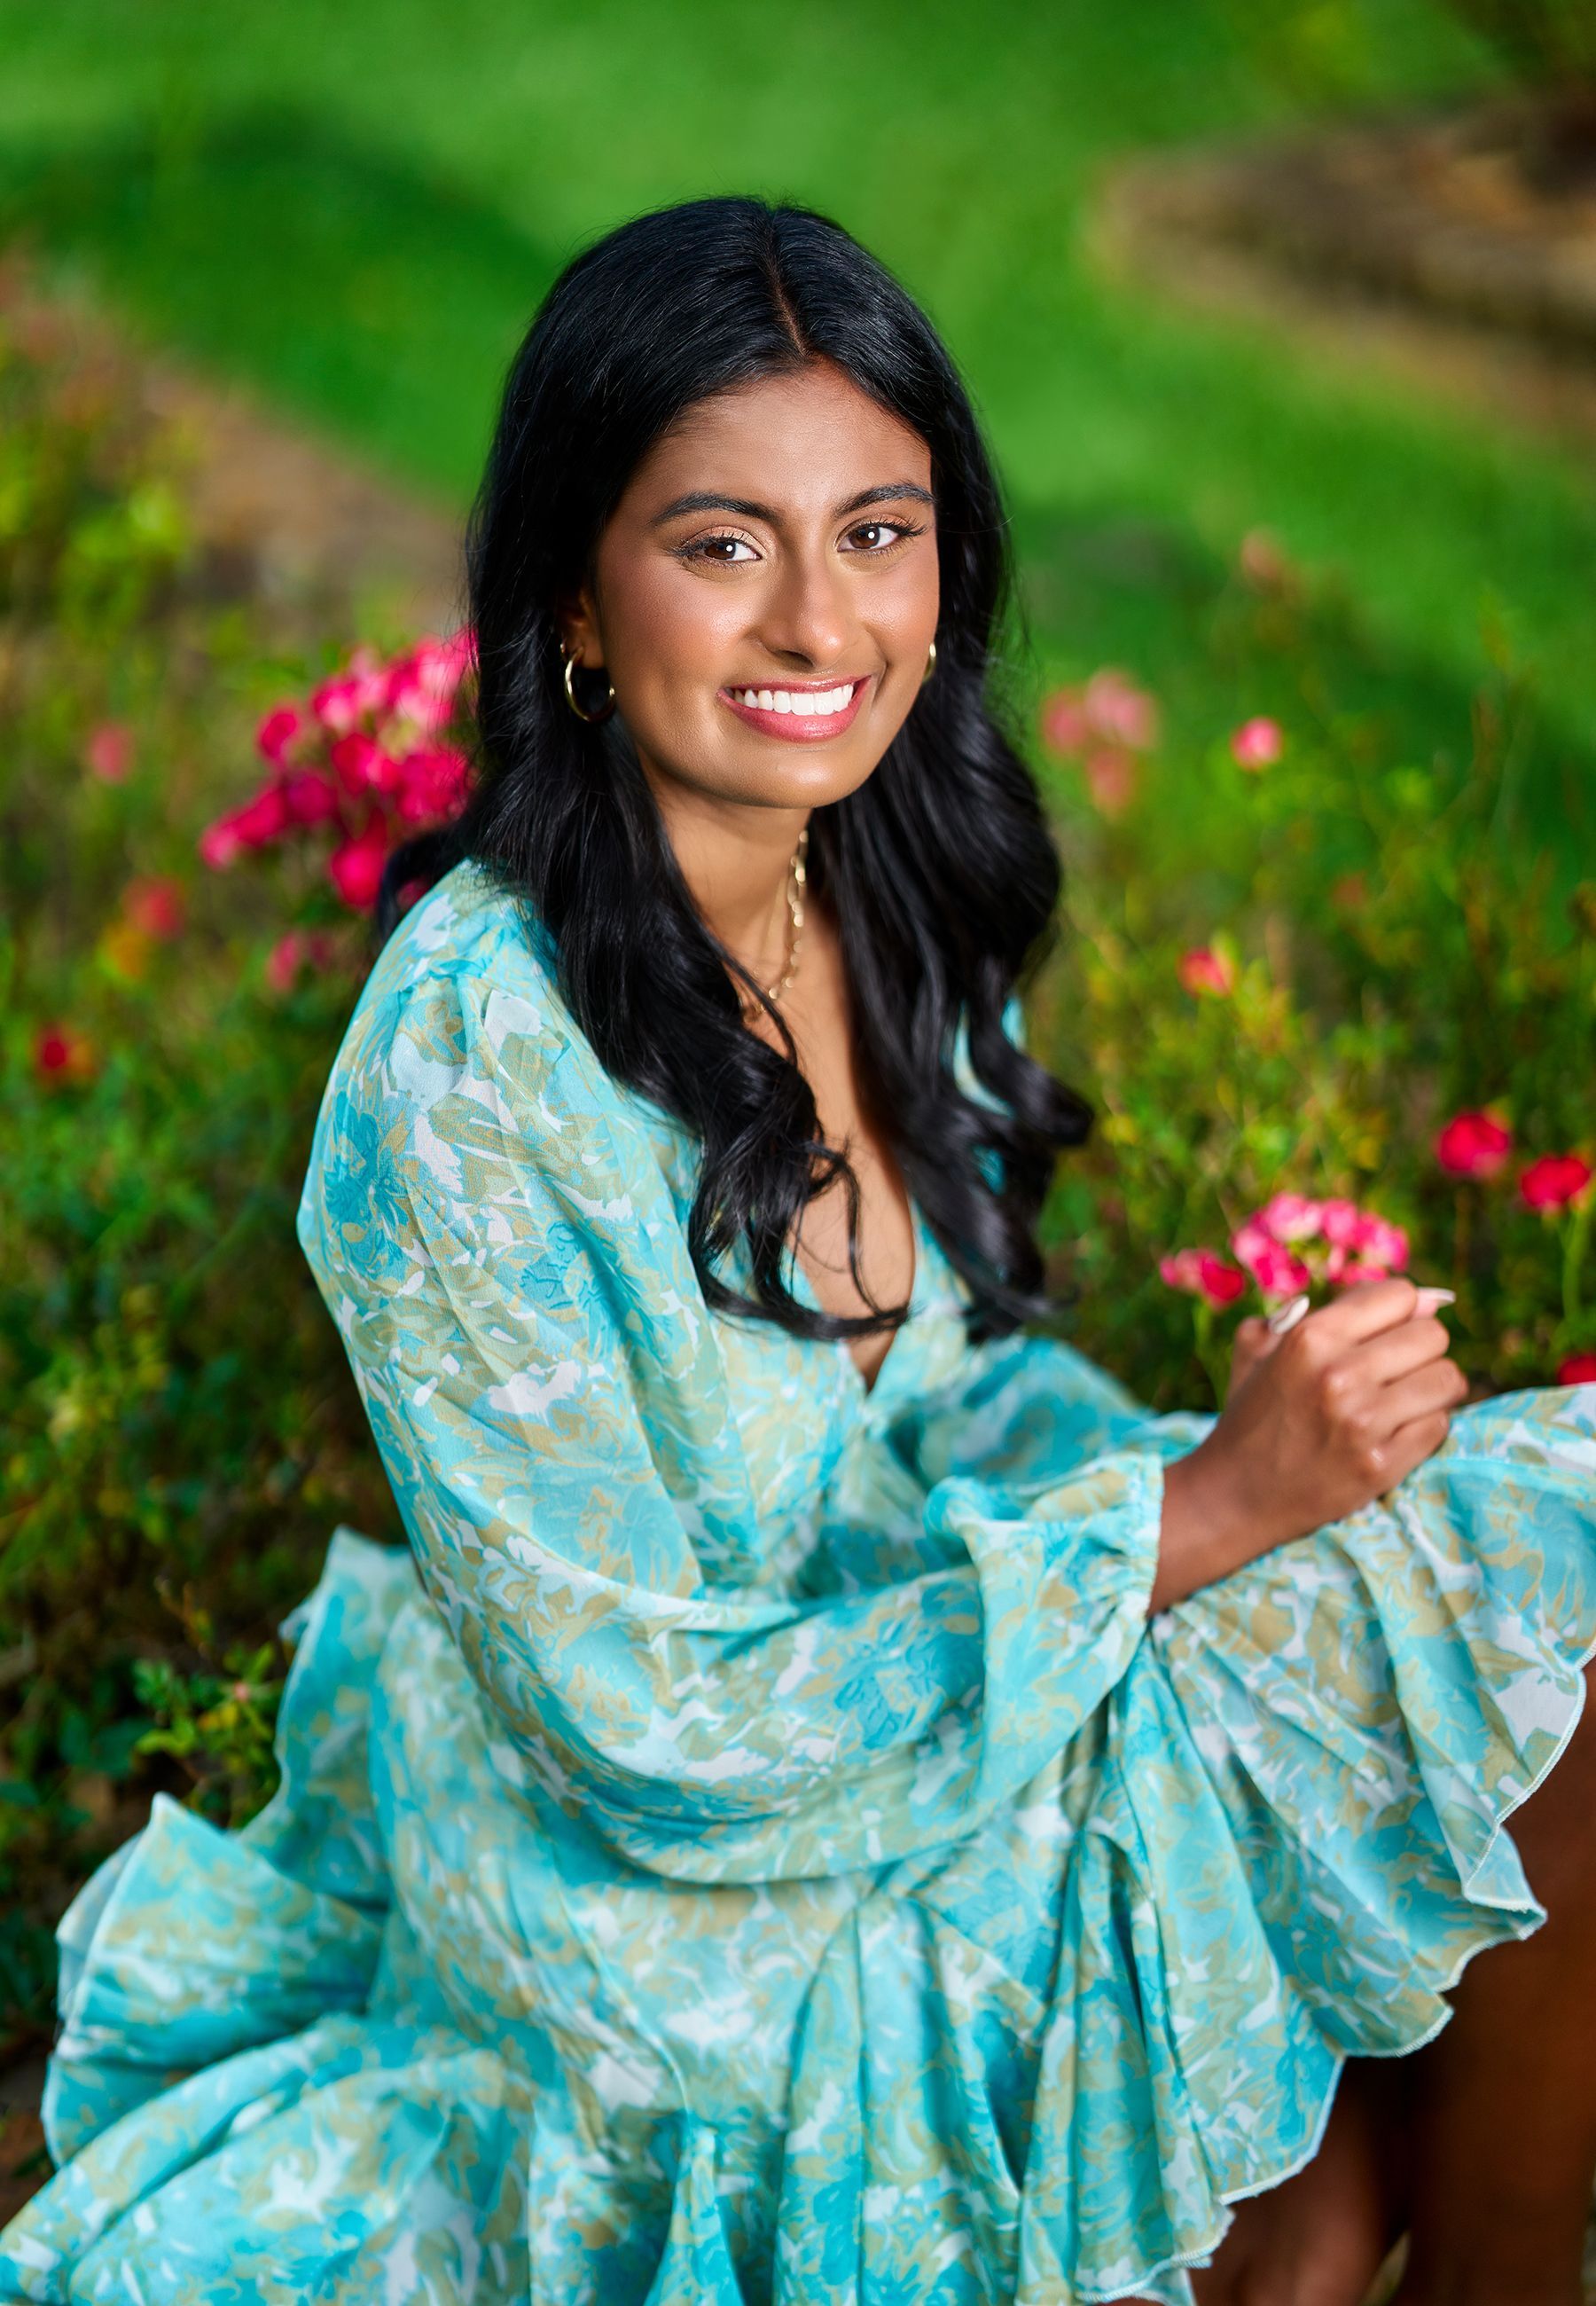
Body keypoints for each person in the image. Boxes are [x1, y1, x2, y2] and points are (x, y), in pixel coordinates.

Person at [4, 194, 1593, 2306]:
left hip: (925, 1675)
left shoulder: (880, 877)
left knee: (1529, 1595)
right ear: (577, 595)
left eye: (879, 530)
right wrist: (1197, 1520)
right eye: (723, 541)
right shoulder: (466, 1068)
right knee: (1356, 2070)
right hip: (675, 1910)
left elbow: (944, 1393)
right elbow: (645, 1741)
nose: (818, 623)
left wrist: (1264, 1493)